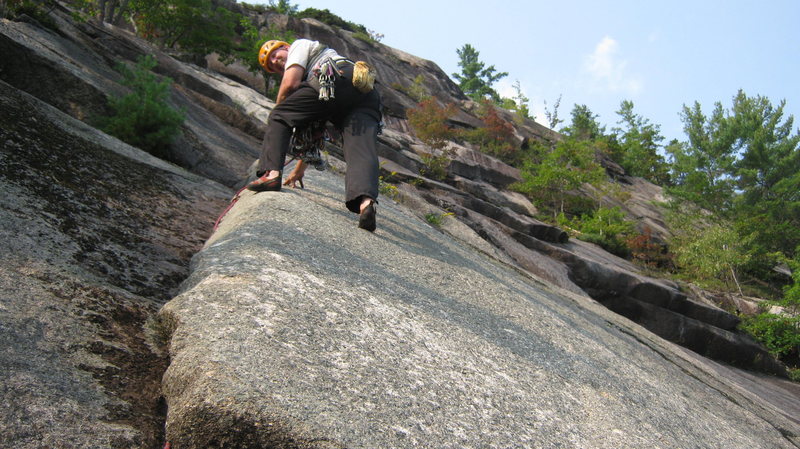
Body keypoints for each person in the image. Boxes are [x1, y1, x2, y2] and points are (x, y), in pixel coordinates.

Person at [247, 38, 382, 232]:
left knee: (278, 115)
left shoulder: (299, 45)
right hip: (365, 94)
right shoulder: (313, 87)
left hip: (334, 77)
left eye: (276, 55)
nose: (276, 62)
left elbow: (290, 83)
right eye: (272, 65)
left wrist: (281, 107)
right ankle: (366, 204)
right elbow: (315, 135)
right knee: (360, 150)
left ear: (286, 47)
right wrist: (298, 171)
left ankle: (272, 174)